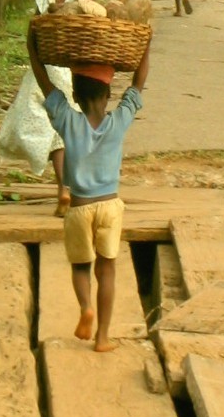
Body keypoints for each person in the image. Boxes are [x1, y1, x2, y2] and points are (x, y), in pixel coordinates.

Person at [0, 0, 131, 216]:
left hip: (43, 72)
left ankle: (63, 190)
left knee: (49, 130)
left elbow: (35, 36)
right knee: (65, 133)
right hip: (72, 73)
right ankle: (66, 189)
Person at [27, 23, 150, 352]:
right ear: (108, 94)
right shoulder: (119, 120)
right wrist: (146, 43)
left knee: (82, 267)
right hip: (110, 207)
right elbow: (139, 83)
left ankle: (85, 308)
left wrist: (33, 49)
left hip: (79, 208)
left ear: (76, 96)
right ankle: (103, 338)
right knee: (107, 270)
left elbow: (44, 83)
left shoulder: (68, 119)